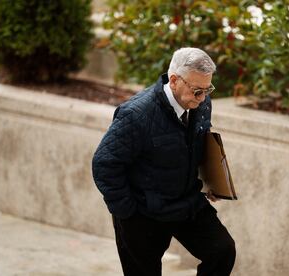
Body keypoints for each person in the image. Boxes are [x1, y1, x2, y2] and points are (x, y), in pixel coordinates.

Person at [92, 47, 236, 276]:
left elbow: (200, 142)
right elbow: (104, 164)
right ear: (175, 80)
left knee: (222, 251)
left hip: (187, 203)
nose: (203, 98)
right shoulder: (137, 114)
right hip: (143, 212)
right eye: (197, 91)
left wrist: (212, 181)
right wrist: (128, 212)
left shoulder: (201, 104)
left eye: (208, 89)